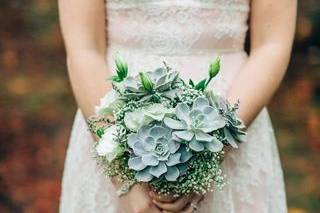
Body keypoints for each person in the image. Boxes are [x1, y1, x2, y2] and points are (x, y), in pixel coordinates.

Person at [58, 0, 297, 212]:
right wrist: (123, 176)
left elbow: (272, 44)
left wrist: (213, 151)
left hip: (236, 118)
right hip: (111, 123)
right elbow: (84, 49)